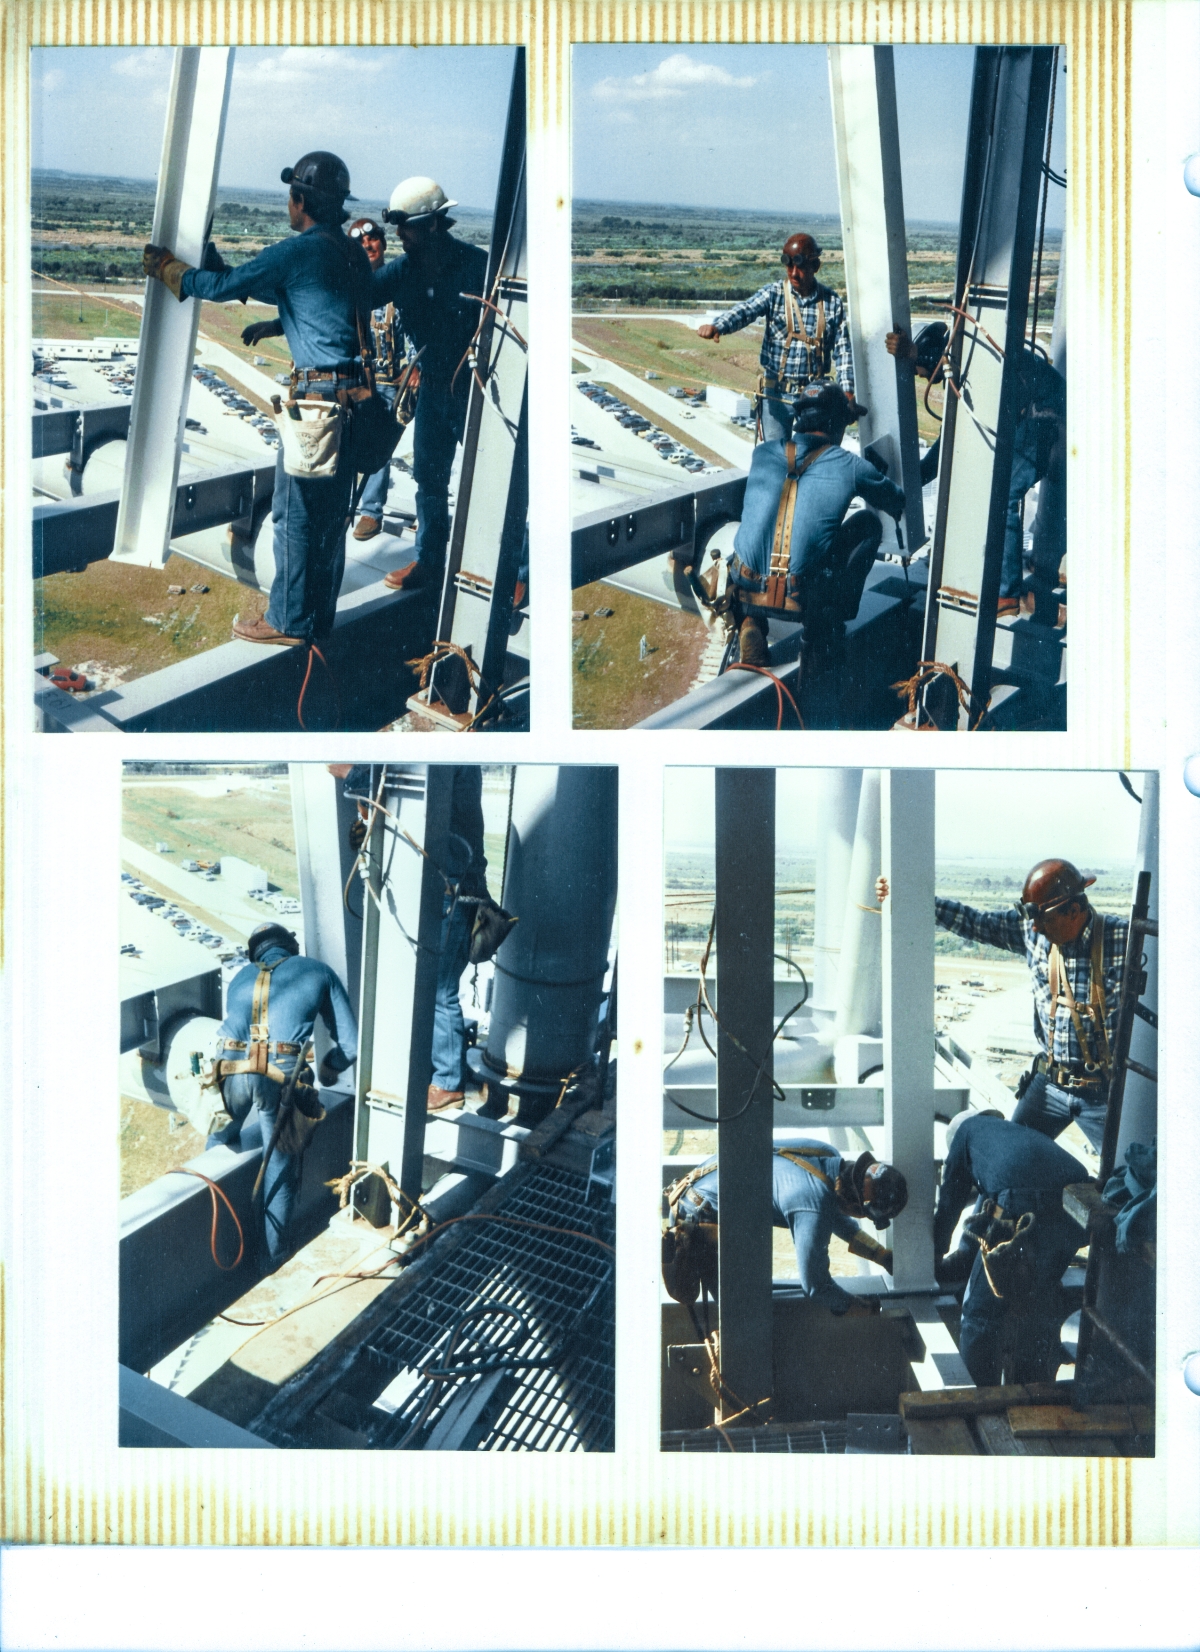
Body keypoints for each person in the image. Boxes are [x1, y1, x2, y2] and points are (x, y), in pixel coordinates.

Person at [143, 151, 374, 648]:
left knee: (294, 516)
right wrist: (278, 318)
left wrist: (168, 269)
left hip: (318, 406)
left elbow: (222, 288)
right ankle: (317, 619)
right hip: (355, 401)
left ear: (300, 200)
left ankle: (287, 620)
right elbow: (314, 297)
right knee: (333, 520)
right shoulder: (350, 250)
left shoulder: (298, 251)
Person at [876, 858, 1127, 1154]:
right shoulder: (1034, 933)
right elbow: (975, 922)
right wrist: (908, 898)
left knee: (1124, 1179)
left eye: (1042, 918)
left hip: (1103, 1094)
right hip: (1050, 1084)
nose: (1034, 926)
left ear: (1074, 910)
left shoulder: (1123, 940)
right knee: (1010, 1157)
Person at [886, 321, 1066, 616]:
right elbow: (946, 446)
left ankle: (1006, 594)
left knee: (1003, 494)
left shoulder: (970, 357)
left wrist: (915, 352)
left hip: (1049, 420)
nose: (920, 377)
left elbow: (955, 363)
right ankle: (1004, 579)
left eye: (919, 370)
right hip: (1044, 418)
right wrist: (907, 481)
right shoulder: (965, 370)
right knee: (993, 489)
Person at [725, 380, 904, 671]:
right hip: (801, 595)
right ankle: (822, 632)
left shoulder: (763, 454)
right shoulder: (851, 465)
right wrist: (874, 477)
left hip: (746, 585)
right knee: (869, 524)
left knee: (757, 536)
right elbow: (896, 501)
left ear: (798, 420)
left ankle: (750, 620)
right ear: (836, 424)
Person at [208, 920, 358, 1264]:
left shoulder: (240, 978)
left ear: (255, 952)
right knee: (281, 1169)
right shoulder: (318, 971)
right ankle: (272, 1258)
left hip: (232, 1074)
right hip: (278, 1078)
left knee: (221, 1137)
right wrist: (329, 1067)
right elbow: (349, 1045)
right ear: (291, 946)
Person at [368, 177, 488, 594]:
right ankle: (431, 561)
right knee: (430, 482)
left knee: (494, 481)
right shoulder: (401, 273)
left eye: (407, 226)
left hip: (477, 390)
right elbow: (348, 297)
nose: (399, 235)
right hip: (435, 392)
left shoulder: (478, 266)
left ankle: (515, 571)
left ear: (435, 224)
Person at [933, 1110, 1087, 1386]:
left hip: (1025, 1199)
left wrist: (935, 1254)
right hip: (1077, 1205)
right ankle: (1031, 1392)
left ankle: (980, 1400)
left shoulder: (963, 1135)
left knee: (980, 1314)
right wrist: (966, 1253)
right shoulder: (1008, 1134)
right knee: (1034, 1302)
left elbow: (949, 1203)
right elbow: (989, 1201)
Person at [665, 1140, 907, 1314]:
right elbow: (816, 1286)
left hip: (695, 1186)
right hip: (701, 1216)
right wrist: (859, 1308)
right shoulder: (813, 1203)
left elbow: (834, 1213)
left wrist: (880, 1255)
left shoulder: (826, 1155)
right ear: (855, 1204)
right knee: (741, 1310)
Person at [698, 233, 855, 442]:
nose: (794, 273)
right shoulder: (774, 294)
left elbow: (843, 351)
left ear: (815, 266)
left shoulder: (831, 302)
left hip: (813, 399)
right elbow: (746, 310)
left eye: (800, 267)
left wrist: (847, 394)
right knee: (775, 458)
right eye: (789, 267)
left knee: (812, 457)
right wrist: (719, 326)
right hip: (776, 397)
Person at [346, 217, 409, 543]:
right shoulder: (351, 291)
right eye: (360, 243)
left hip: (402, 382)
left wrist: (414, 369)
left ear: (383, 244)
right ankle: (359, 509)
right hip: (365, 381)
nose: (368, 246)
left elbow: (416, 327)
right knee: (358, 443)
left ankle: (372, 511)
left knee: (387, 448)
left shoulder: (400, 282)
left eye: (372, 240)